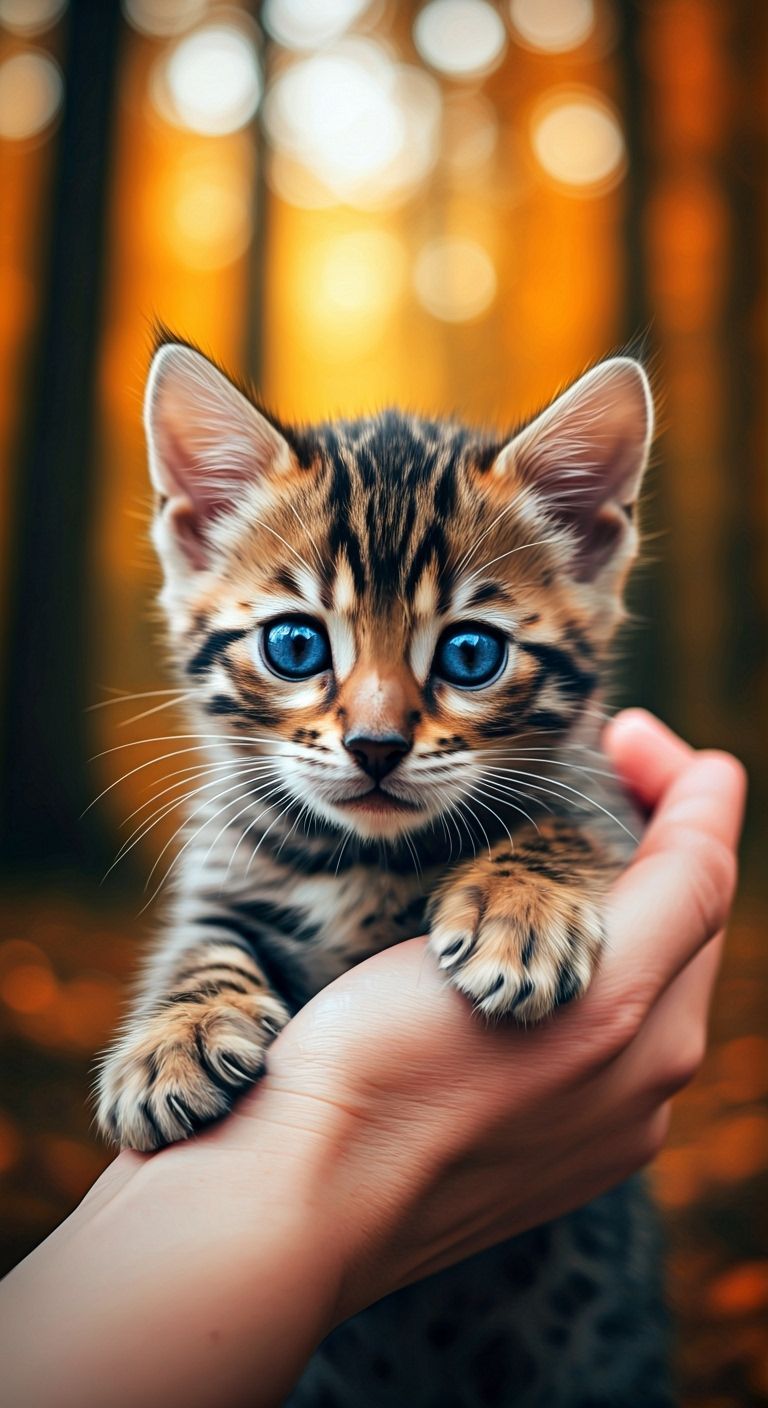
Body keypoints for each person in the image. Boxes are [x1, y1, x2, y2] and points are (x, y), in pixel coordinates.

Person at [0, 711, 746, 1408]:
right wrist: (214, 1005)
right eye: (298, 645)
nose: (375, 729)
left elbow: (593, 826)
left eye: (468, 653)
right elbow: (226, 934)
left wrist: (545, 866)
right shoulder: (238, 818)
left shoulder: (539, 788)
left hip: (563, 1345)